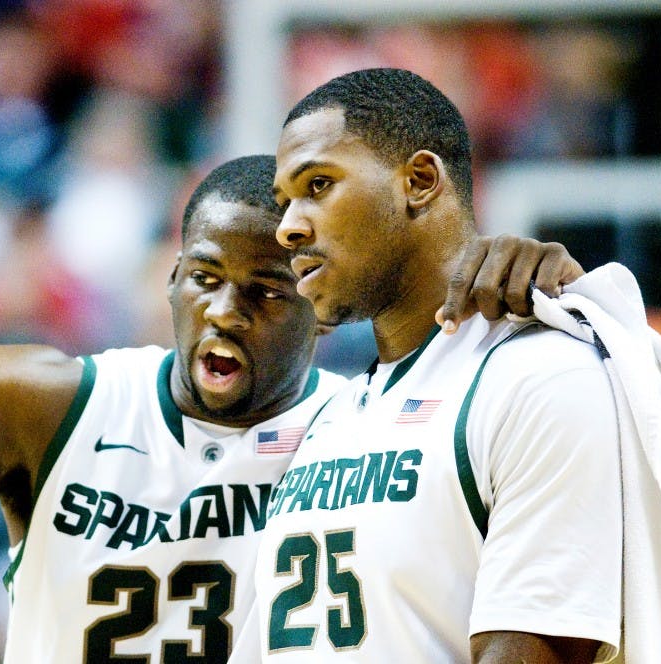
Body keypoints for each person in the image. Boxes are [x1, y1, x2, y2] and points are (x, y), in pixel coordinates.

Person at [0, 154, 584, 663]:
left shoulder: (374, 427)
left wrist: (544, 293)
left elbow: (541, 449)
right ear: (171, 281)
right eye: (206, 277)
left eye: (265, 290)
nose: (224, 310)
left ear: (321, 307)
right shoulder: (55, 402)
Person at [246, 68, 622, 663]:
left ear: (420, 180)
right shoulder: (332, 418)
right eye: (283, 202)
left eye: (318, 185)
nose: (288, 227)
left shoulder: (543, 377)